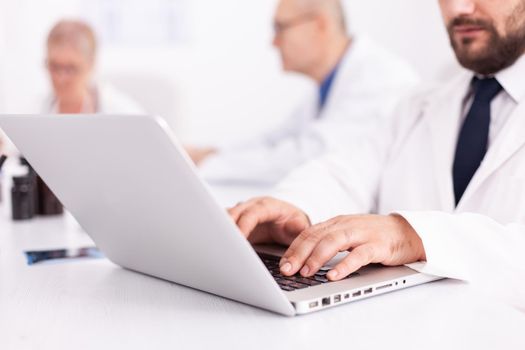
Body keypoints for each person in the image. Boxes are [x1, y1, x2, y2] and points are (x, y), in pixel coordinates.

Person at [229, 0, 525, 310]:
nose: (458, 8)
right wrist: (295, 208)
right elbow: (348, 172)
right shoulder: (421, 103)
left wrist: (414, 236)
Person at [186, 0, 419, 185]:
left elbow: (311, 157)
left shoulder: (380, 78)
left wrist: (208, 163)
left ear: (320, 25)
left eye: (280, 28)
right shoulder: (329, 84)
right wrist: (210, 152)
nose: (273, 42)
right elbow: (278, 138)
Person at [43, 20, 143, 114]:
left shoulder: (124, 112)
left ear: (91, 64)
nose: (61, 78)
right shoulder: (34, 110)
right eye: (54, 66)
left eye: (71, 68)